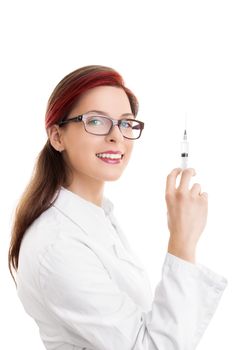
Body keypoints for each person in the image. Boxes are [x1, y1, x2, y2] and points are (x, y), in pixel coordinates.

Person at [8, 65, 227, 350]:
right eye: (96, 121)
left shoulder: (97, 216)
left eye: (125, 123)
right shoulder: (57, 244)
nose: (117, 137)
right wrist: (182, 240)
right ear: (57, 137)